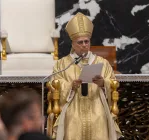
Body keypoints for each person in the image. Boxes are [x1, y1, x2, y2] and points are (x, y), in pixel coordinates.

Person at [52, 12, 121, 140]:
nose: (84, 45)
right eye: (80, 42)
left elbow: (113, 82)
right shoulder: (62, 64)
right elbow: (54, 84)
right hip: (73, 106)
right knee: (73, 119)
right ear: (72, 44)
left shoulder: (102, 62)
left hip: (96, 104)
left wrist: (103, 83)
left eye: (86, 41)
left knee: (100, 117)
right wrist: (70, 86)